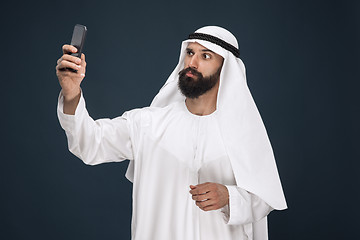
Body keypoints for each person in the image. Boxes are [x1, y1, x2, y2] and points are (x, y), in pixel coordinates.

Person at [56, 26, 287, 240]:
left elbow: (264, 198)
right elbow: (89, 143)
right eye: (189, 53)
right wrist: (72, 93)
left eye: (205, 56)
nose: (192, 63)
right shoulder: (148, 124)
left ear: (226, 68)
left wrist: (229, 197)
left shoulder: (243, 133)